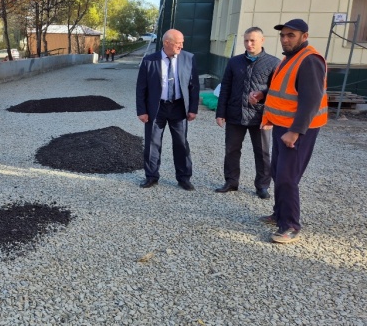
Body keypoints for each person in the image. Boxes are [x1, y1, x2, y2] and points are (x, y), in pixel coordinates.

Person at [249, 19, 327, 244]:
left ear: (304, 36)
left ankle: (290, 225)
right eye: (283, 35)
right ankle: (279, 213)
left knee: (287, 177)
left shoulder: (310, 60)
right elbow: (282, 86)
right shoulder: (289, 59)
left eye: (291, 35)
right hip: (282, 126)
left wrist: (295, 131)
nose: (285, 39)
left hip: (297, 129)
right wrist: (263, 94)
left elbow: (311, 100)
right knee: (277, 172)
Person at [214, 27, 280, 199]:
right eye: (246, 40)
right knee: (231, 150)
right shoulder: (234, 62)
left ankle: (262, 186)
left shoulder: (274, 63)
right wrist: (220, 112)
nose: (249, 44)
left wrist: (263, 96)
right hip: (235, 114)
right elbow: (225, 87)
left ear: (262, 41)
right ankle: (231, 182)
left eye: (253, 40)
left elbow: (277, 90)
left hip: (260, 116)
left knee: (263, 152)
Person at [136, 29, 200, 191]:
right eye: (178, 43)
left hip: (179, 108)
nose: (181, 46)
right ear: (166, 43)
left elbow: (194, 86)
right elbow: (141, 88)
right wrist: (141, 110)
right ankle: (151, 176)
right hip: (156, 109)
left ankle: (184, 177)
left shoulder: (189, 58)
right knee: (152, 143)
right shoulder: (150, 61)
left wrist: (193, 108)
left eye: (182, 42)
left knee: (181, 143)